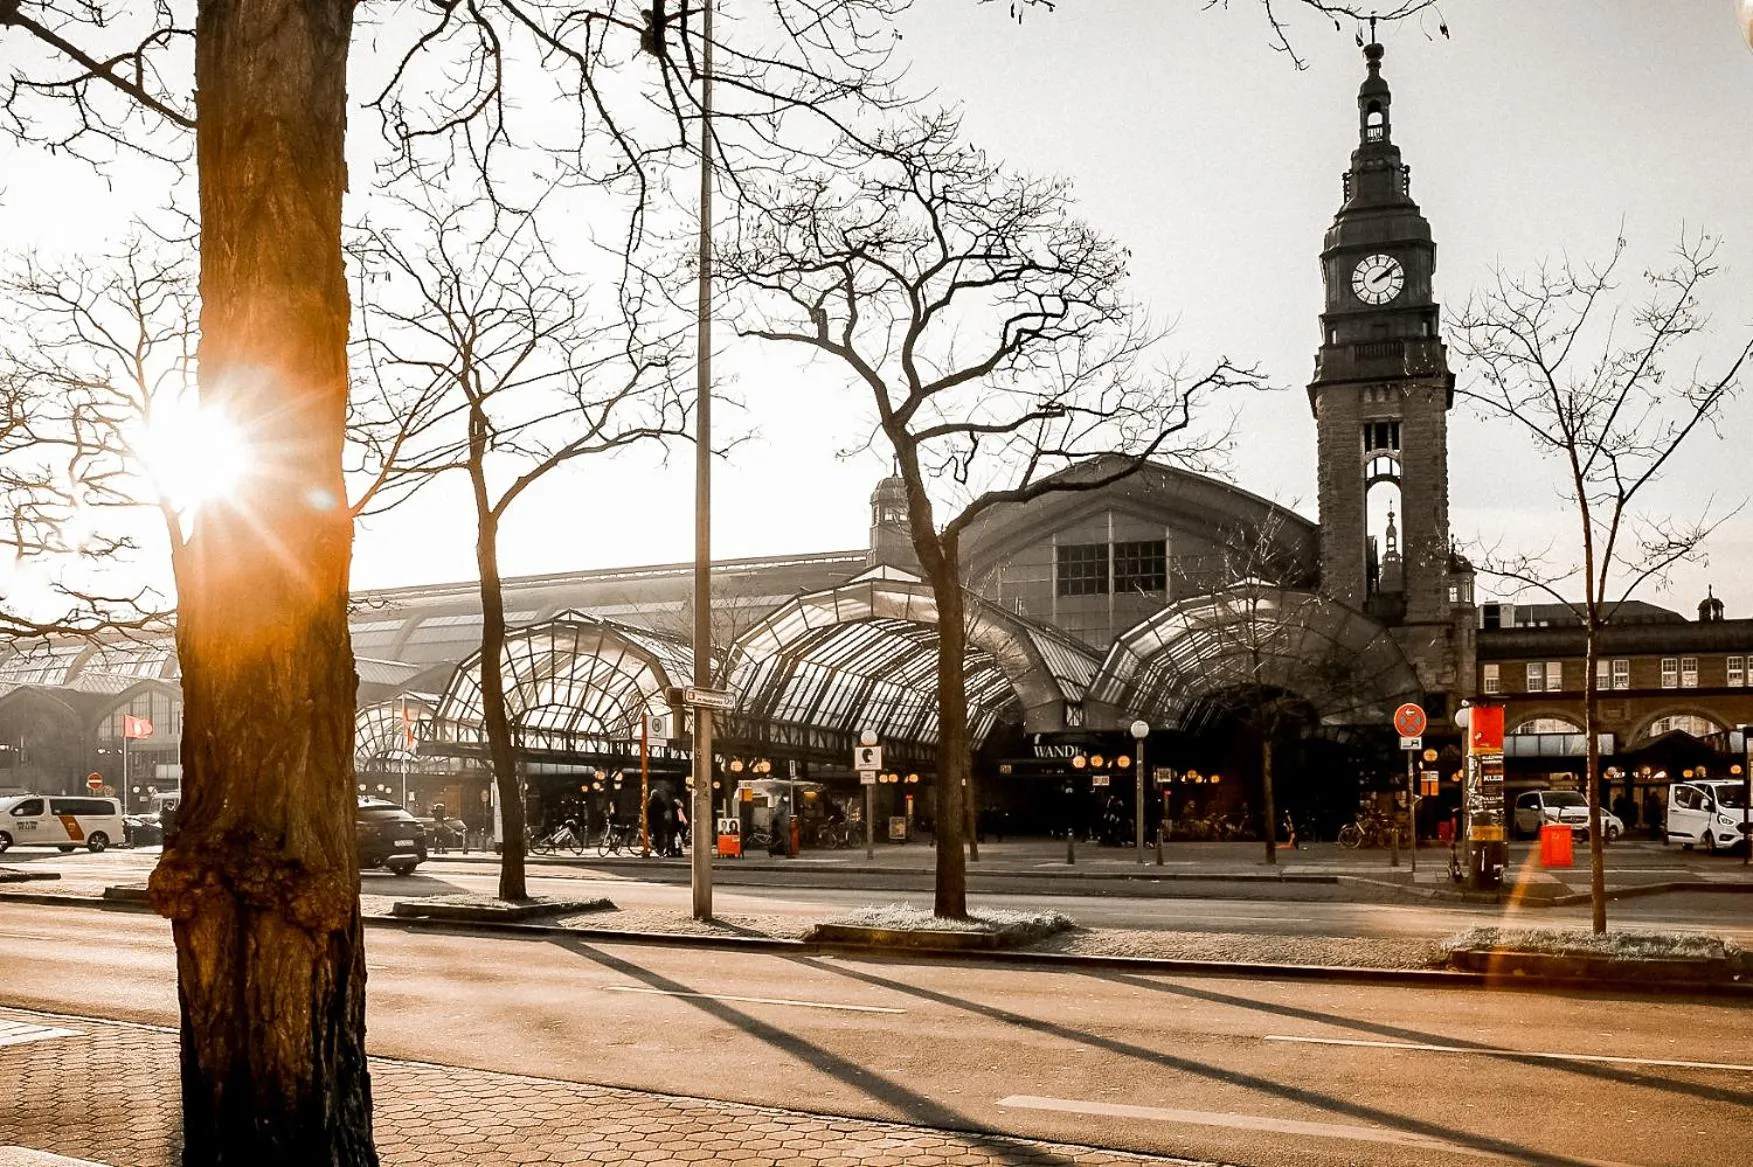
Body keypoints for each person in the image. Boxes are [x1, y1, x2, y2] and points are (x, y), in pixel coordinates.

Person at [647, 790, 671, 857]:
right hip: (660, 822)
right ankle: (660, 850)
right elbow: (665, 810)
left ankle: (654, 846)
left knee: (655, 835)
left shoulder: (649, 802)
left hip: (652, 821)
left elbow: (647, 811)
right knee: (661, 836)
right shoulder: (661, 802)